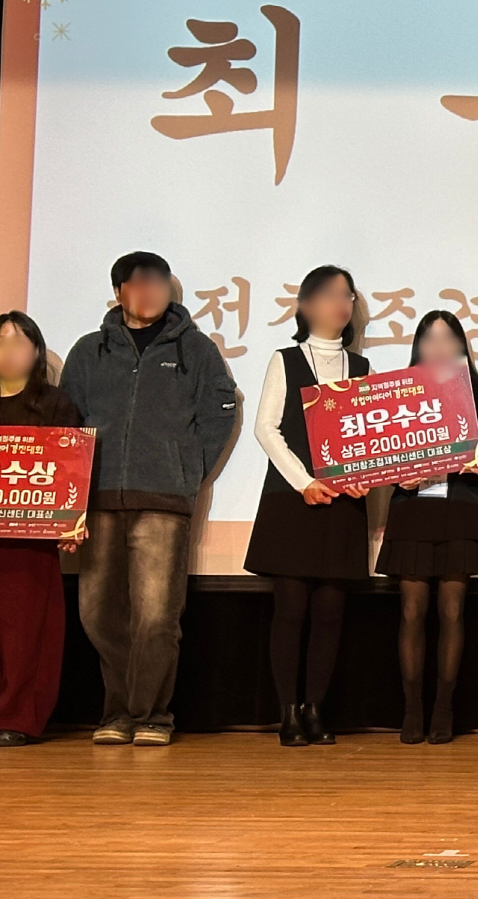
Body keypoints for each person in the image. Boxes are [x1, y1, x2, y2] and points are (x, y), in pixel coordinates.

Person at [67, 251, 239, 746]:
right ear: (118, 292)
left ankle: (151, 716)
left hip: (164, 499)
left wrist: (187, 470)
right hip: (98, 501)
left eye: (159, 282)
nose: (150, 290)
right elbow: (69, 422)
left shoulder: (196, 349)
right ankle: (118, 712)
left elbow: (220, 411)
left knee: (156, 616)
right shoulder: (89, 351)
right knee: (98, 615)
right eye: (138, 282)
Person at [242, 265, 374, 747]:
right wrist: (304, 482)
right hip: (293, 500)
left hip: (341, 505)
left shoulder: (361, 367)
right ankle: (287, 714)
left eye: (347, 296)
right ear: (305, 305)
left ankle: (315, 710)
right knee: (291, 609)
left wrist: (361, 478)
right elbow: (265, 428)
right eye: (329, 294)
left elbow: (368, 437)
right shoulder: (286, 360)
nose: (340, 304)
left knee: (331, 612)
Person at [375, 311, 478, 745]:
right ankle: (412, 709)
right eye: (430, 339)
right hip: (413, 509)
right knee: (411, 612)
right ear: (418, 346)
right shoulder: (398, 390)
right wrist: (399, 474)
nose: (439, 347)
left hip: (459, 509)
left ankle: (444, 710)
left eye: (448, 339)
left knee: (452, 612)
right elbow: (381, 448)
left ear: (461, 345)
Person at [0, 311, 84, 747]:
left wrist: (71, 522)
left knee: (25, 631)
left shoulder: (55, 404)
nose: (9, 351)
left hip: (29, 538)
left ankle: (17, 718)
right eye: (2, 341)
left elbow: (71, 469)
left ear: (36, 351)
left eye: (20, 342)